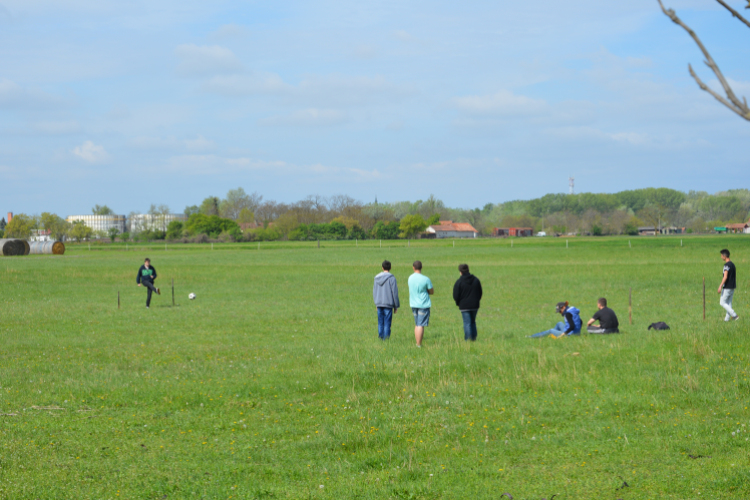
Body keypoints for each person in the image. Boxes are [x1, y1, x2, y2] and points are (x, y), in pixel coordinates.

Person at [452, 263, 483, 341]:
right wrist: (477, 300)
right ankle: (473, 338)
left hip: (464, 305)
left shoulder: (459, 282)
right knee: (473, 322)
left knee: (467, 323)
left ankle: (468, 339)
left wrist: (458, 303)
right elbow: (480, 292)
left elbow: (456, 295)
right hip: (475, 305)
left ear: (460, 272)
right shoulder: (476, 280)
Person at [408, 260, 434, 347]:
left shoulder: (410, 278)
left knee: (417, 324)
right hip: (423, 303)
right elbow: (431, 291)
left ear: (413, 268)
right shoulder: (426, 279)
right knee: (420, 325)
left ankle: (417, 342)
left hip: (413, 303)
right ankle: (418, 344)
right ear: (421, 267)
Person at [373, 260, 400, 340]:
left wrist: (376, 303)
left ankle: (380, 337)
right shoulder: (392, 278)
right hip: (388, 303)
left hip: (379, 303)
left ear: (382, 267)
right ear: (390, 268)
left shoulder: (376, 278)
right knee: (387, 323)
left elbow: (374, 291)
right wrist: (396, 306)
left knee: (380, 322)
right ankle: (386, 339)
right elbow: (394, 292)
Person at [718, 249, 739, 321]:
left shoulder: (726, 265)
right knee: (729, 303)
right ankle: (726, 319)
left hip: (727, 287)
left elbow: (725, 277)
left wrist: (720, 285)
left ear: (724, 256)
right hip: (732, 286)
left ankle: (734, 315)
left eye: (721, 255)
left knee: (722, 302)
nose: (721, 257)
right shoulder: (732, 264)